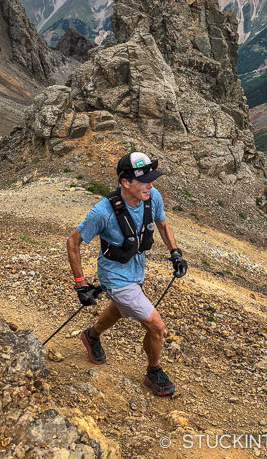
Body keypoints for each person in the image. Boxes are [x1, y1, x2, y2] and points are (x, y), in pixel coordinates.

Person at [67, 152, 187, 396]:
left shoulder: (152, 197)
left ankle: (91, 336)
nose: (151, 185)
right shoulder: (103, 212)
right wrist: (81, 285)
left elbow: (163, 224)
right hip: (114, 276)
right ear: (125, 183)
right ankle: (153, 372)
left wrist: (175, 253)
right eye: (145, 181)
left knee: (120, 309)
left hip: (135, 270)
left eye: (152, 179)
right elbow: (73, 242)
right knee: (156, 325)